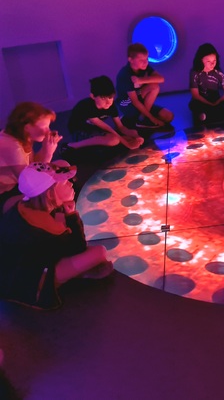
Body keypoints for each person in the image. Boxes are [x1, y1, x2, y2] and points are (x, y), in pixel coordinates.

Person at [0, 161, 113, 309]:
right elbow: (78, 247)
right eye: (64, 183)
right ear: (50, 193)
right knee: (99, 252)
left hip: (11, 271)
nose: (71, 184)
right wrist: (72, 215)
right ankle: (66, 280)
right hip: (30, 283)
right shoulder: (48, 226)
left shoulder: (22, 205)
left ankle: (77, 274)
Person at [0, 102, 61, 213]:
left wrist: (45, 149)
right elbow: (31, 184)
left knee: (62, 166)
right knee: (49, 195)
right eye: (45, 127)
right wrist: (48, 153)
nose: (48, 131)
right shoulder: (12, 147)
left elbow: (32, 164)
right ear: (27, 127)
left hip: (18, 183)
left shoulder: (22, 137)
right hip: (6, 193)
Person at [66, 76, 144, 152]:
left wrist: (137, 136)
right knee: (114, 140)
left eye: (110, 97)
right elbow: (108, 128)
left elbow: (121, 127)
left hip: (95, 130)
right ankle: (73, 146)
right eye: (103, 98)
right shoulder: (87, 106)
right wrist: (127, 144)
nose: (108, 102)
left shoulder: (111, 106)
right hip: (79, 132)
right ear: (93, 96)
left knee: (131, 134)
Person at [115, 43, 173, 129]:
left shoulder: (145, 67)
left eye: (146, 59)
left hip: (141, 101)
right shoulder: (125, 74)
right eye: (141, 60)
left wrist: (141, 80)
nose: (145, 62)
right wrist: (152, 118)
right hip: (127, 104)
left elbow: (161, 79)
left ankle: (140, 118)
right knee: (154, 86)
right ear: (131, 60)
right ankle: (141, 119)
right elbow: (135, 101)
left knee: (169, 116)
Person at [188, 43, 224, 124]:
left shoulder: (218, 72)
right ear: (201, 60)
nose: (212, 64)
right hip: (202, 102)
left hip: (216, 101)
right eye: (208, 61)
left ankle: (209, 115)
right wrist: (210, 104)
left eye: (214, 61)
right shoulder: (195, 72)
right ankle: (214, 115)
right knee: (194, 104)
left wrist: (217, 102)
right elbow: (195, 95)